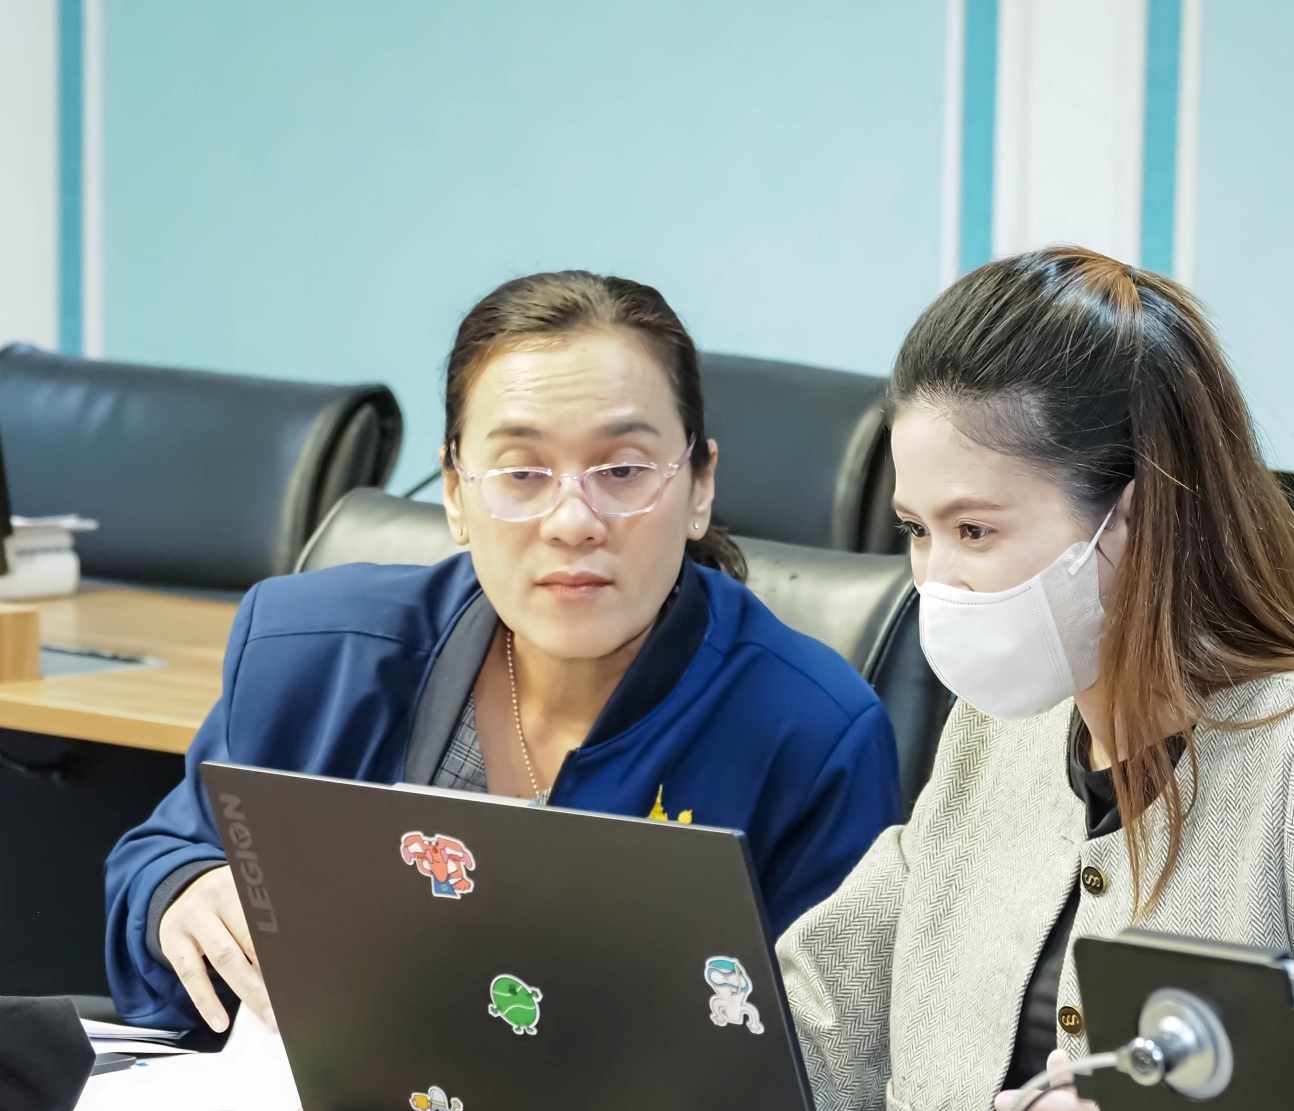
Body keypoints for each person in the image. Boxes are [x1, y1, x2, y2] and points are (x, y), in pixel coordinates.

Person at [777, 248, 1294, 1111]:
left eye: (974, 531)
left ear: (1136, 517)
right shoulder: (994, 729)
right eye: (916, 530)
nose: (934, 582)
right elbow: (812, 1021)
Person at [106, 270, 902, 1036]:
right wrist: (182, 890)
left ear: (700, 486)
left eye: (624, 470)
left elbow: (828, 1064)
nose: (573, 520)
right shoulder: (309, 652)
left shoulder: (812, 735)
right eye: (522, 472)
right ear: (456, 493)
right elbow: (166, 851)